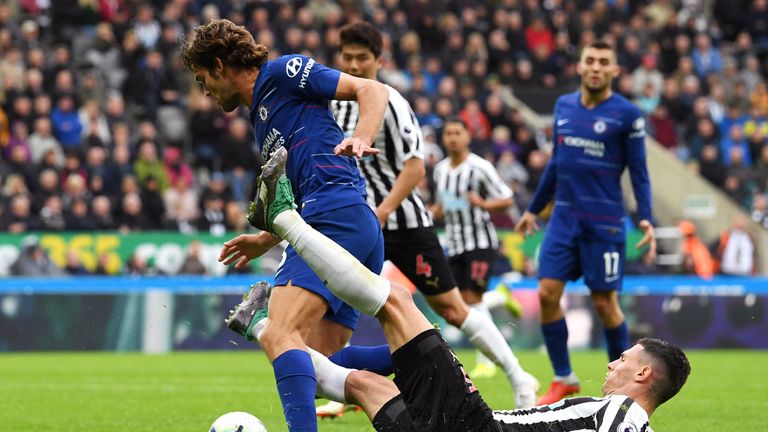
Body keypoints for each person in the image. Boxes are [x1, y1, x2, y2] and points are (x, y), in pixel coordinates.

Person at [221, 147, 690, 431]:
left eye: (624, 359)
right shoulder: (612, 415)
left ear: (644, 376)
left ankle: (284, 218)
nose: (613, 362)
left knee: (398, 302)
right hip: (459, 426)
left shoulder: (623, 415)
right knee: (365, 384)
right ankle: (261, 324)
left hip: (473, 427)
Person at [180, 19, 389, 432]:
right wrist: (264, 238)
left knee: (279, 336)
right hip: (348, 221)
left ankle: (258, 325)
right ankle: (422, 352)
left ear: (220, 66)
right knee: (313, 367)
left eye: (204, 80)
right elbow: (292, 187)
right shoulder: (262, 119)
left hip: (331, 214)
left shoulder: (282, 73)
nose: (205, 92)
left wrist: (361, 137)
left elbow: (371, 89)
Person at [320, 22, 536, 416]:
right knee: (338, 310)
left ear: (379, 61)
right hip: (355, 223)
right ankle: (350, 392)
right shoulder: (333, 102)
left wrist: (382, 211)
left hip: (402, 225)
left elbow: (415, 169)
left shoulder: (394, 102)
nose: (353, 64)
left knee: (453, 308)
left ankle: (519, 377)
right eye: (347, 57)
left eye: (361, 58)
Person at [514, 40, 657, 405]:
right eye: (589, 61)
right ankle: (564, 377)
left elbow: (639, 172)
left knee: (605, 303)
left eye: (603, 62)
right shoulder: (563, 106)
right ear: (579, 67)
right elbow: (556, 162)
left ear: (614, 71)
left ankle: (624, 390)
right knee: (546, 293)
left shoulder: (627, 114)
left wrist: (645, 218)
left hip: (604, 222)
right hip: (563, 218)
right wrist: (534, 207)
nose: (595, 67)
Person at [431, 117, 526, 379]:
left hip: (480, 241)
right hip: (455, 242)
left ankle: (486, 360)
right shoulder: (440, 171)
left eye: (457, 133)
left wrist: (483, 204)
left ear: (467, 137)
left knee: (471, 300)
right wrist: (429, 214)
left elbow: (506, 200)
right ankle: (500, 297)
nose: (452, 137)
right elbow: (442, 205)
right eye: (448, 133)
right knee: (458, 304)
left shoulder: (480, 168)